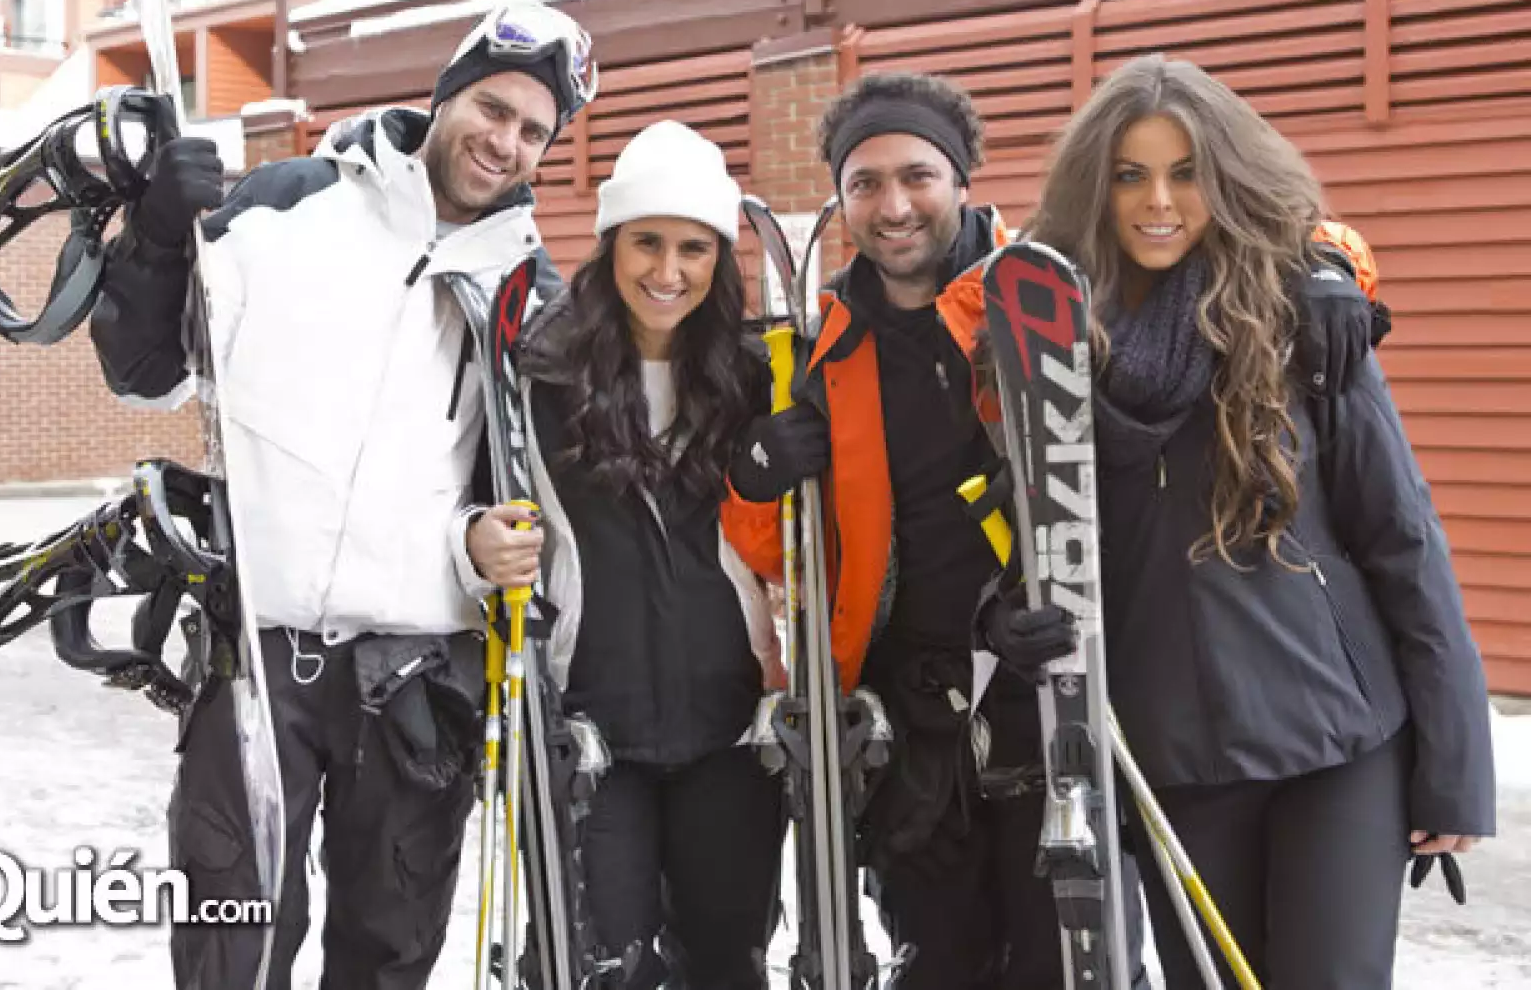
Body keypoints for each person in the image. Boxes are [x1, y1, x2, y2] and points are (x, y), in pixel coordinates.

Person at [722, 70, 1381, 989]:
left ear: (963, 181)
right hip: (911, 723)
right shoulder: (820, 346)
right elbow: (778, 555)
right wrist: (756, 477)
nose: (893, 204)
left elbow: (1216, 230)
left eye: (917, 175)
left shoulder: (1040, 293)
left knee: (1077, 962)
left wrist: (1329, 263)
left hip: (1053, 696)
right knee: (941, 965)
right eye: (864, 184)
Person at [88, 1, 597, 989]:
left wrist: (475, 546)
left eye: (534, 131)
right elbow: (145, 364)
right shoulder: (291, 204)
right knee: (229, 947)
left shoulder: (525, 294)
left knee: (388, 954)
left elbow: (525, 494)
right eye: (491, 108)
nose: (504, 142)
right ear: (447, 93)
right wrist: (151, 237)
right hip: (257, 656)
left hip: (416, 680)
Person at [990, 53, 1496, 988]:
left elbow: (1403, 538)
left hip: (1336, 742)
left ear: (1226, 179)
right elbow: (1026, 540)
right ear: (1094, 187)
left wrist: (1456, 760)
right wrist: (1006, 622)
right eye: (1131, 175)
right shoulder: (1050, 344)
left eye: (1187, 173)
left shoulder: (1302, 318)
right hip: (1172, 751)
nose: (1159, 202)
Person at [465, 120, 786, 989]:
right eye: (646, 242)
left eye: (693, 248)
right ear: (611, 245)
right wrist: (473, 542)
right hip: (587, 726)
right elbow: (470, 506)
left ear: (720, 260)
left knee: (728, 962)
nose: (668, 271)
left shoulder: (757, 380)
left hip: (728, 724)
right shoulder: (538, 379)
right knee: (603, 967)